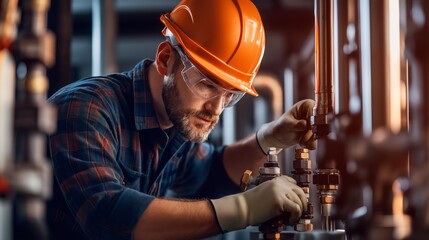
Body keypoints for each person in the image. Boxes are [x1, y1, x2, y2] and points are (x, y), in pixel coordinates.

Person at [47, 0, 316, 239]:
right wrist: (243, 209)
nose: (216, 109)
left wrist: (268, 139)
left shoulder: (175, 125)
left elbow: (212, 172)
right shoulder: (87, 108)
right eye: (207, 85)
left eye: (230, 96)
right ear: (165, 59)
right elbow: (107, 216)